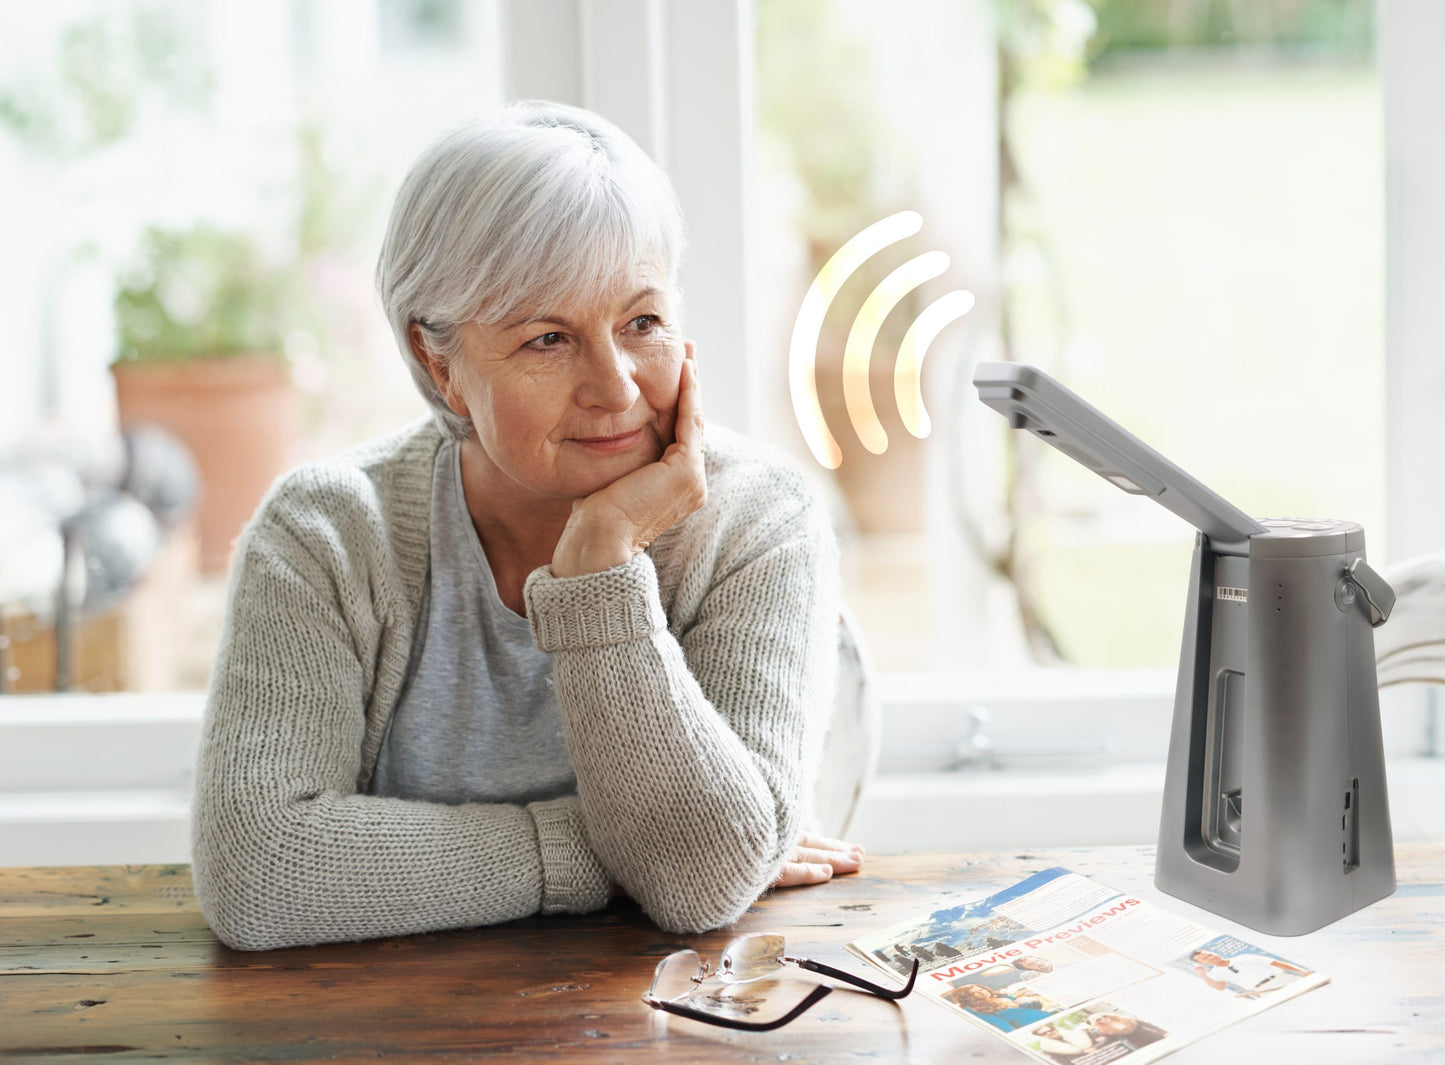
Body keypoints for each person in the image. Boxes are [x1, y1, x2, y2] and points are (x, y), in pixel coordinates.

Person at [190, 100, 857, 951]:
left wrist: (599, 569)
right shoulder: (325, 533)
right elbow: (260, 872)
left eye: (641, 322)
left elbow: (698, 890)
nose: (615, 387)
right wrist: (606, 851)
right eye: (548, 337)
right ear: (440, 362)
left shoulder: (758, 520)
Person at [1190, 949, 1309, 996]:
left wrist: (1302, 971)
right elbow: (1220, 987)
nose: (1211, 957)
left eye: (1210, 954)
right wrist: (1203, 975)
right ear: (1203, 963)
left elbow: (1276, 963)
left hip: (1282, 977)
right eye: (1205, 958)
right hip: (1264, 990)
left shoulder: (1244, 957)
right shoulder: (1214, 974)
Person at [942, 983, 1054, 1033]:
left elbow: (1033, 1008)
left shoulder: (1002, 996)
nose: (982, 991)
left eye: (980, 989)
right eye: (975, 993)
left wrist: (1033, 1001)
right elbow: (1002, 1027)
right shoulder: (973, 1010)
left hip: (1047, 1018)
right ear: (968, 998)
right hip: (1033, 1027)